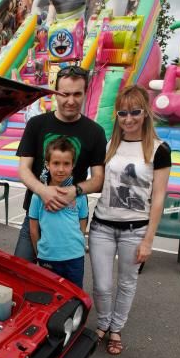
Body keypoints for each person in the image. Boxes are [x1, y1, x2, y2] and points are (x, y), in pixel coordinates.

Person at [89, 84, 171, 355]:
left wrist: (149, 240)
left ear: (146, 112)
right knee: (101, 284)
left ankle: (115, 328)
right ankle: (102, 322)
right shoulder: (109, 144)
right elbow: (98, 182)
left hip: (135, 230)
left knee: (126, 283)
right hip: (102, 225)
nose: (129, 119)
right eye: (123, 113)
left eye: (135, 112)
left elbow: (158, 198)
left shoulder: (159, 149)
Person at [14, 65, 106, 262]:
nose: (71, 101)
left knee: (64, 284)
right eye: (64, 94)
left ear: (85, 93)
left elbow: (98, 180)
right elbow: (23, 169)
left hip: (71, 219)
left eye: (77, 94)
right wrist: (43, 191)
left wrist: (75, 190)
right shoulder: (36, 125)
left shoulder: (95, 132)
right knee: (22, 275)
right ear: (56, 93)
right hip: (37, 216)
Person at [29, 137, 89, 288]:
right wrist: (40, 253)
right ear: (47, 164)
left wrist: (78, 245)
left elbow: (82, 223)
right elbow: (33, 229)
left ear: (73, 165)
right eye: (56, 163)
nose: (61, 169)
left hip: (75, 257)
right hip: (48, 257)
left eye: (66, 164)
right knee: (50, 296)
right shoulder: (38, 196)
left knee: (74, 296)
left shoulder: (79, 195)